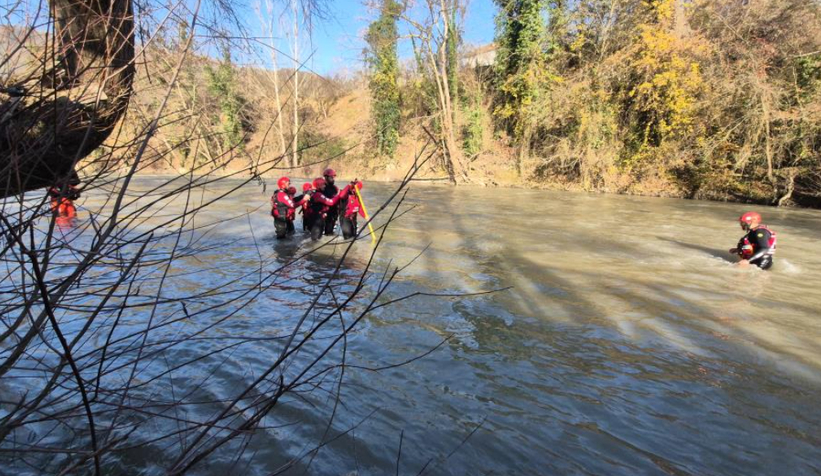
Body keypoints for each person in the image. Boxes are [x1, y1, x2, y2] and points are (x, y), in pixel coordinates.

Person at [309, 177, 351, 241]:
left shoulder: (316, 193)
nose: (324, 186)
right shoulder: (318, 195)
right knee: (316, 239)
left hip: (318, 219)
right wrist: (338, 194)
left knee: (317, 238)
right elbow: (331, 202)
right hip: (317, 220)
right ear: (318, 185)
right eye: (323, 184)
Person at [322, 168, 342, 236]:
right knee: (324, 232)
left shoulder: (335, 188)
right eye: (331, 177)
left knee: (330, 232)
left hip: (333, 212)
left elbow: (339, 197)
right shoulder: (322, 187)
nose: (333, 179)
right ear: (326, 177)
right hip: (325, 213)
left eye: (333, 177)